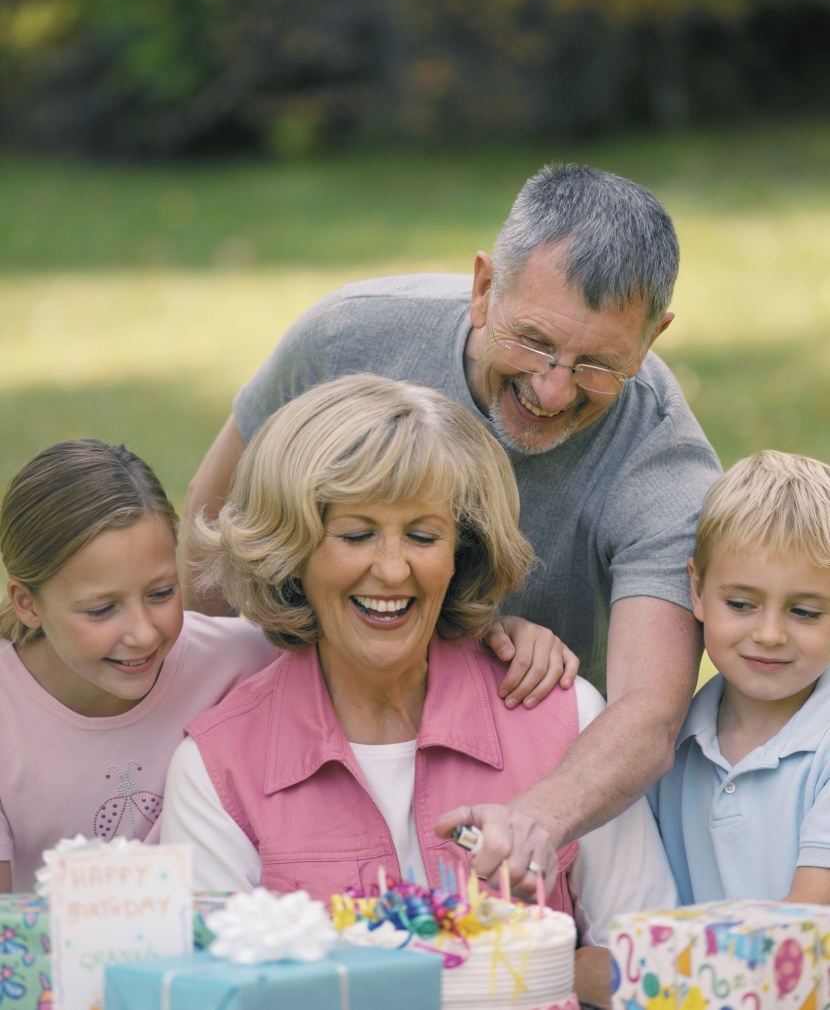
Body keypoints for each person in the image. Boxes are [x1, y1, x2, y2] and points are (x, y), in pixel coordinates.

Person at [180, 162, 721, 867]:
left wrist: (529, 823)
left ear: (652, 340)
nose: (553, 390)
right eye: (531, 341)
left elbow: (646, 716)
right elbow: (214, 534)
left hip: (533, 762)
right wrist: (235, 727)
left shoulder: (662, 460)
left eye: (597, 365)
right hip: (316, 726)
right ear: (484, 287)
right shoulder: (348, 338)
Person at [162, 374, 677, 1003]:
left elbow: (657, 970)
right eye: (355, 535)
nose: (392, 567)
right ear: (291, 548)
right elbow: (215, 997)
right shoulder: (217, 772)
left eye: (423, 535)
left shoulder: (564, 718)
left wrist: (506, 973)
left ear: (461, 549)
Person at [0, 439, 560, 894]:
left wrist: (486, 632)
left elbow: (360, 639)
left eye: (161, 592)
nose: (143, 633)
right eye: (101, 609)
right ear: (26, 602)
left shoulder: (242, 656)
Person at [649, 450, 830, 905]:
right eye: (741, 604)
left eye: (805, 611)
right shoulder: (663, 742)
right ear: (697, 590)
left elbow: (805, 931)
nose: (769, 635)